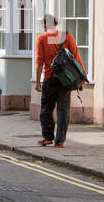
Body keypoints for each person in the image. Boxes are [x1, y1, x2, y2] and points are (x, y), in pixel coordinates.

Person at [34, 13, 84, 148]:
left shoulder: (41, 38)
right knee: (63, 110)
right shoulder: (66, 36)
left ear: (45, 25)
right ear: (55, 24)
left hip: (49, 79)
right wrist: (82, 77)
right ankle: (60, 141)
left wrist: (38, 81)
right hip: (65, 80)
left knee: (46, 109)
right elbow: (75, 57)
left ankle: (47, 137)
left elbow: (39, 62)